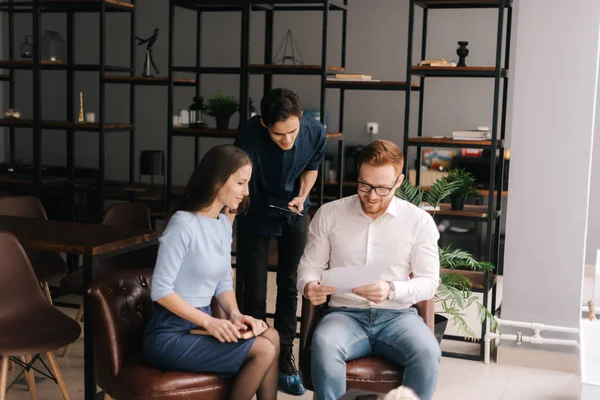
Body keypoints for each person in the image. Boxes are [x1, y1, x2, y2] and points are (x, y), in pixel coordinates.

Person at [296, 140, 441, 400]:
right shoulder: (330, 214)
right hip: (344, 315)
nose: (372, 195)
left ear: (399, 182)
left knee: (428, 351)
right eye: (364, 185)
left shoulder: (418, 221)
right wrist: (309, 285)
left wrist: (391, 289)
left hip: (398, 317)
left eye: (382, 188)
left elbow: (429, 282)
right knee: (325, 344)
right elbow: (310, 265)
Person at [143, 144, 280, 400]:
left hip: (201, 325)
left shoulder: (222, 225)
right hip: (169, 333)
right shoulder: (183, 224)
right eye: (241, 183)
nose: (246, 191)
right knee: (263, 349)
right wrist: (209, 321)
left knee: (271, 335)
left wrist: (235, 315)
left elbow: (222, 284)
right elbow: (160, 291)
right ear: (218, 180)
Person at [234, 87, 327, 395]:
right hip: (256, 208)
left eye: (292, 132)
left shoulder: (315, 132)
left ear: (301, 119)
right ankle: (256, 356)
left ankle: (285, 357)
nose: (287, 140)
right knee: (254, 285)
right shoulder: (248, 136)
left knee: (291, 283)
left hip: (294, 209)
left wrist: (303, 196)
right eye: (279, 135)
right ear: (264, 124)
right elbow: (239, 179)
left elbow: (312, 167)